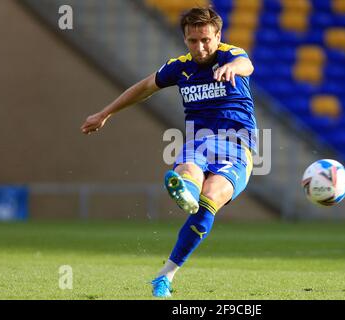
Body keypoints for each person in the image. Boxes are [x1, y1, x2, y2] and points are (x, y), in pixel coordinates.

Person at [80, 7, 257, 298]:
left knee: (209, 202)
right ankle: (185, 190)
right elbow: (145, 87)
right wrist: (106, 113)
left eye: (205, 40)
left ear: (218, 36)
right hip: (199, 143)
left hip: (237, 147)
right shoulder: (179, 67)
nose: (200, 48)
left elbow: (245, 64)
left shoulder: (230, 55)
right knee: (190, 170)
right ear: (185, 40)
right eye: (192, 41)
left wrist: (231, 69)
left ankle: (165, 275)